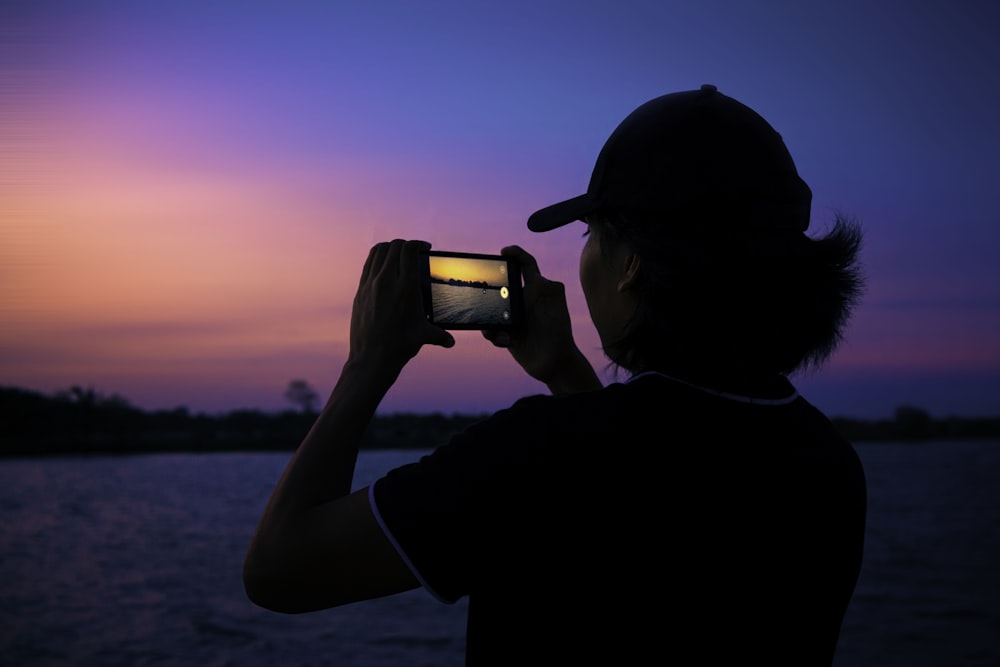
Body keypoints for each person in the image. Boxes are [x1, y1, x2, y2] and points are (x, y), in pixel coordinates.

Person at [243, 84, 867, 666]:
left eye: (593, 233)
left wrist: (367, 364)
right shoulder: (828, 462)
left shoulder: (540, 451)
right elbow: (641, 511)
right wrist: (565, 372)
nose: (585, 256)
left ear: (630, 264)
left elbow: (279, 570)